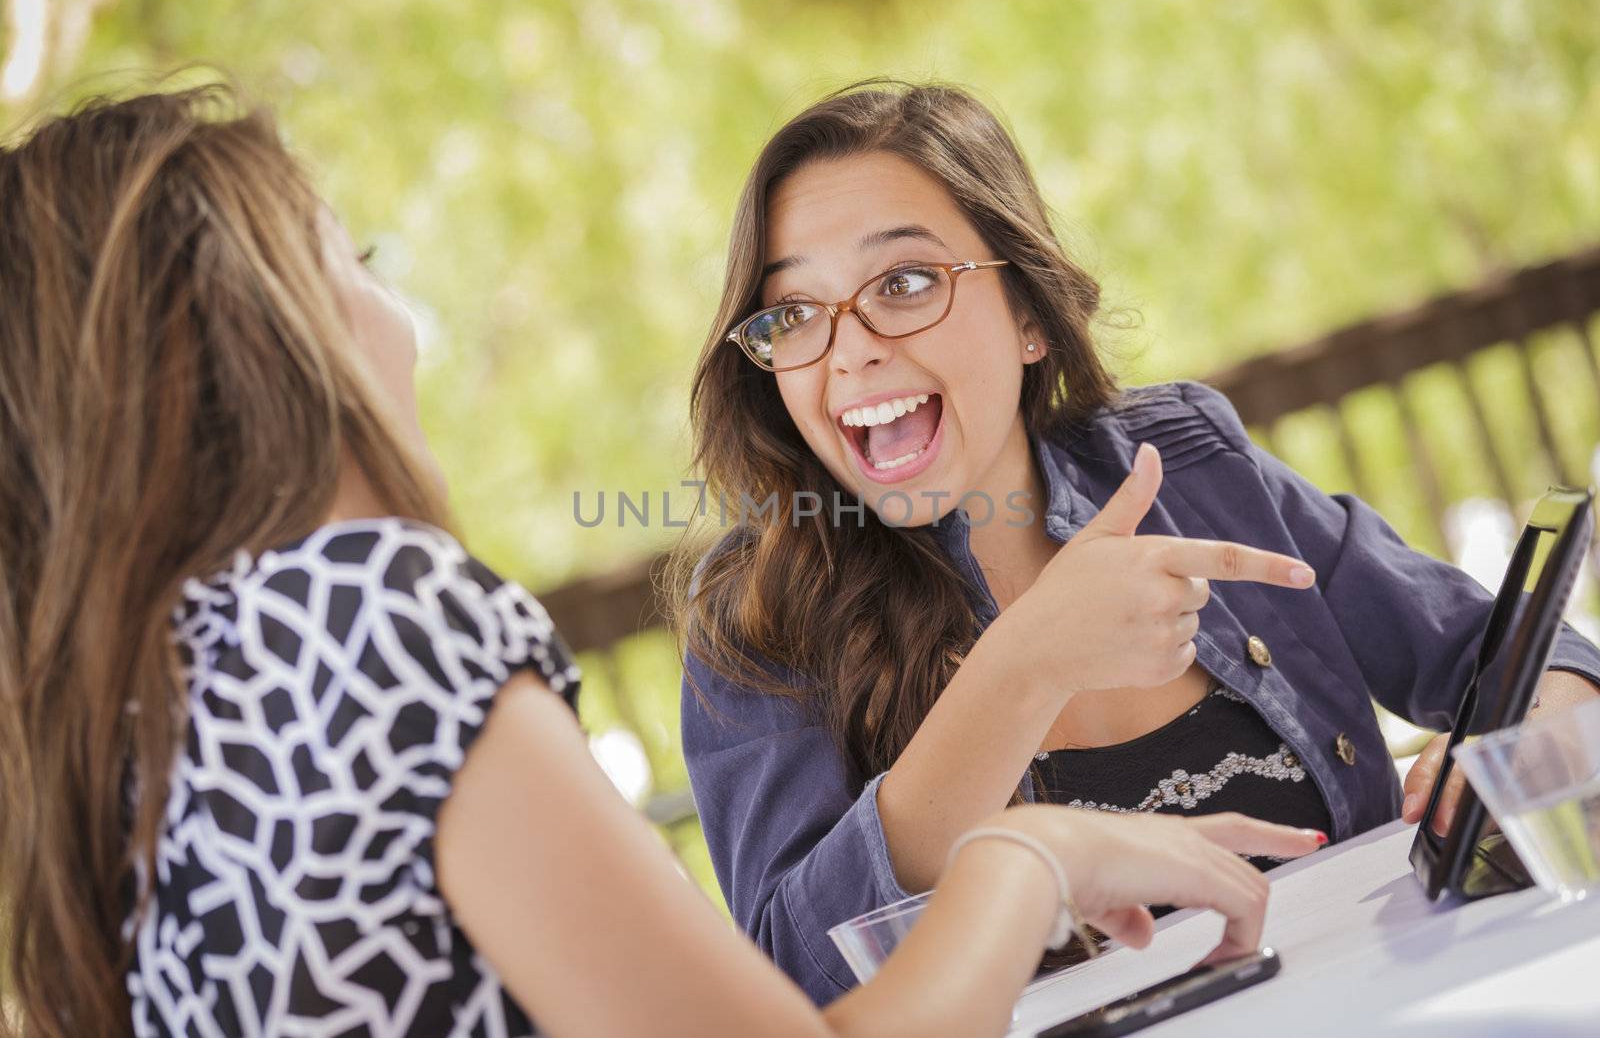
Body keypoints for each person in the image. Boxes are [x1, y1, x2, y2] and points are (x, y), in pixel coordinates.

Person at [0, 85, 1324, 1038]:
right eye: (354, 260)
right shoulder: (373, 622)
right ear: (262, 342)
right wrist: (1026, 852)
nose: (400, 315)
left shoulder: (155, 715)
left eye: (904, 286)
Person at [676, 79, 1600, 1004]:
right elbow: (791, 981)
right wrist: (1023, 665)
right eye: (794, 312)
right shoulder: (756, 618)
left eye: (904, 283)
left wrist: (1532, 742)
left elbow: (1524, 651)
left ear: (1029, 314)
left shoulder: (1190, 464)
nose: (850, 350)